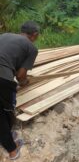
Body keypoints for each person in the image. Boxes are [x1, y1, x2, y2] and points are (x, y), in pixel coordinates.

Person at [0, 21, 40, 160]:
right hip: (2, 79)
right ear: (34, 35)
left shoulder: (4, 35)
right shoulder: (31, 48)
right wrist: (24, 82)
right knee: (5, 113)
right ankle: (12, 149)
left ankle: (7, 135)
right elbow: (20, 75)